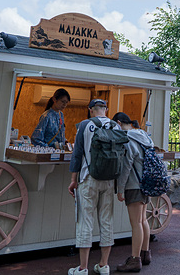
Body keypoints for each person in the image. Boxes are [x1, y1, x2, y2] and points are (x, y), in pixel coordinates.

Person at [68, 99, 118, 275]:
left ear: (90, 110)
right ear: (106, 110)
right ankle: (104, 265)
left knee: (85, 221)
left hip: (88, 178)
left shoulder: (85, 125)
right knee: (106, 221)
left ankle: (82, 268)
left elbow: (77, 154)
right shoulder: (115, 126)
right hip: (109, 180)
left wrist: (73, 179)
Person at [113, 112, 153, 272]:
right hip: (146, 184)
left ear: (118, 123)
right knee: (143, 220)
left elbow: (126, 166)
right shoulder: (143, 135)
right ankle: (145, 254)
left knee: (135, 223)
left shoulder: (128, 139)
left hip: (134, 185)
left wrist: (120, 189)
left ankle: (135, 259)